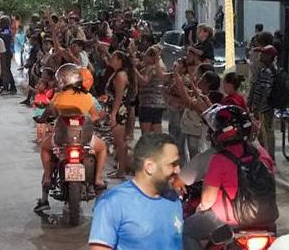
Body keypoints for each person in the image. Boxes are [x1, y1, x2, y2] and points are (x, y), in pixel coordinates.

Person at [182, 105, 277, 250]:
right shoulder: (260, 153)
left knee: (187, 231)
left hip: (229, 220)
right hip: (266, 219)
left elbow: (207, 201)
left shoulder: (219, 159)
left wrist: (201, 208)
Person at [88, 133, 183, 250]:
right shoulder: (112, 203)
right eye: (172, 164)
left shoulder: (173, 198)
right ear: (149, 166)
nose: (178, 170)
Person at [34, 64, 107, 213]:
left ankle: (47, 179)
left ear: (61, 80)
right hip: (84, 140)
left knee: (45, 147)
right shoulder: (87, 97)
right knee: (102, 148)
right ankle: (98, 178)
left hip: (62, 140)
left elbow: (48, 113)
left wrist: (42, 119)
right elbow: (95, 117)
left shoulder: (58, 97)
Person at [105, 51, 136, 178]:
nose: (111, 59)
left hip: (119, 110)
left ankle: (121, 170)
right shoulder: (118, 74)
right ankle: (120, 168)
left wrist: (113, 113)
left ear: (120, 60)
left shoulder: (121, 75)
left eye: (114, 58)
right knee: (118, 141)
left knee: (120, 141)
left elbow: (118, 96)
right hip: (117, 109)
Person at [249, 45, 278, 160]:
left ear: (269, 57)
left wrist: (257, 108)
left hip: (263, 109)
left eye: (263, 54)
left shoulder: (266, 72)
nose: (260, 55)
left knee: (264, 134)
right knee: (268, 132)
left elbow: (264, 91)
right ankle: (270, 157)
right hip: (267, 108)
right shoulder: (271, 70)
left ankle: (267, 158)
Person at [136, 46, 168, 135]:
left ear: (152, 57)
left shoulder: (151, 68)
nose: (144, 57)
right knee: (157, 132)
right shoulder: (161, 67)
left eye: (146, 55)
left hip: (148, 103)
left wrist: (134, 70)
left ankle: (147, 148)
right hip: (158, 104)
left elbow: (144, 81)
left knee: (146, 134)